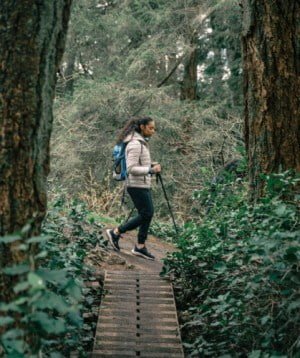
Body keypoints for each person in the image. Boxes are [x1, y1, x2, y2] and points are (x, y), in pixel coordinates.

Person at [105, 116, 161, 260]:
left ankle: (140, 246)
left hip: (141, 183)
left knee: (147, 213)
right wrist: (151, 170)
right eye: (151, 128)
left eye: (154, 128)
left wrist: (150, 165)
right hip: (136, 184)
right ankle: (116, 232)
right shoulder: (135, 143)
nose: (153, 131)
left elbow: (138, 163)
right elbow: (131, 168)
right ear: (142, 127)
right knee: (146, 213)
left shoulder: (140, 142)